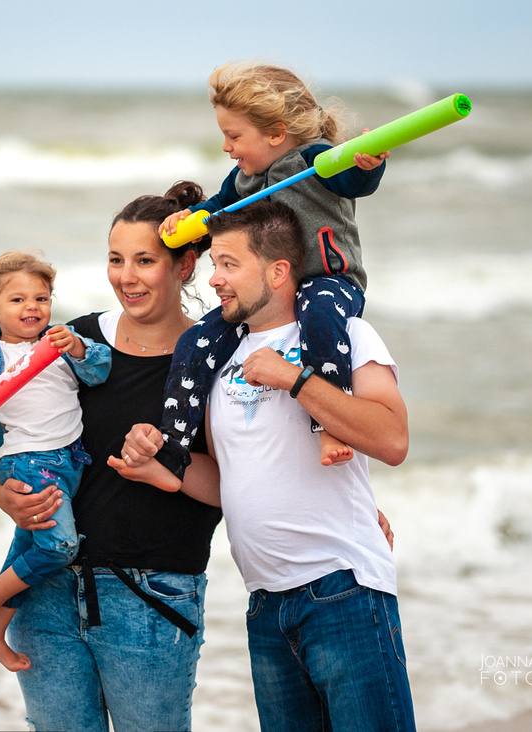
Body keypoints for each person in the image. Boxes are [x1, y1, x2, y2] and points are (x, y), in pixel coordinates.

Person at [0, 183, 394, 732]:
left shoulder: (215, 360)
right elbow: (19, 432)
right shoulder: (80, 342)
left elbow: (267, 465)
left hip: (159, 595)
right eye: (115, 259)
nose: (126, 277)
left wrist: (351, 505)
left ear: (184, 266)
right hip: (57, 589)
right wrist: (5, 493)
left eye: (145, 261)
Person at [119, 199, 415, 731]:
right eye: (214, 265)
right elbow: (232, 479)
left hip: (343, 591)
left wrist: (295, 379)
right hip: (265, 607)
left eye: (229, 265)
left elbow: (393, 440)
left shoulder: (344, 335)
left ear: (278, 272)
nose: (215, 281)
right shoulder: (218, 357)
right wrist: (164, 469)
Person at [155, 60, 390, 480]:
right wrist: (186, 220)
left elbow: (355, 180)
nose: (227, 147)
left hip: (328, 281)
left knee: (318, 315)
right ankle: (173, 450)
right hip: (265, 292)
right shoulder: (243, 179)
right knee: (194, 342)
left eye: (234, 136)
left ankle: (330, 427)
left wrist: (368, 163)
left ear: (276, 133)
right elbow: (217, 213)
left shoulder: (318, 160)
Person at [0, 249, 111, 672]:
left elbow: (100, 371)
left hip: (71, 459)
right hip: (28, 461)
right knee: (61, 547)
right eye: (18, 300)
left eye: (42, 298)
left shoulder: (59, 342)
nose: (32, 307)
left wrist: (80, 349)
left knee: (28, 545)